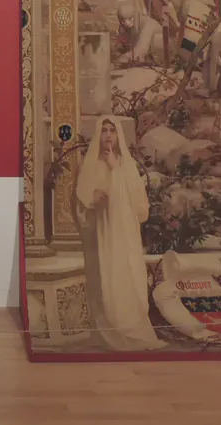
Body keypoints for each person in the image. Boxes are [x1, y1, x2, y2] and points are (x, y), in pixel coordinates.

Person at [75, 117, 162, 351]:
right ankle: (111, 332)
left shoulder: (126, 165)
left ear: (118, 135)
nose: (108, 135)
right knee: (107, 278)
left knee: (129, 275)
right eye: (104, 130)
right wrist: (92, 199)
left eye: (112, 131)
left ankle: (132, 329)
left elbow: (140, 206)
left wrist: (115, 170)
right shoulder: (90, 165)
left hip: (126, 233)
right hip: (103, 232)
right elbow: (81, 205)